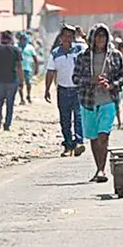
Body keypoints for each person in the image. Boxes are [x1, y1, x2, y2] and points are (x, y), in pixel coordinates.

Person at [73, 24, 123, 183]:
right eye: (97, 36)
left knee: (104, 135)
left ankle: (102, 170)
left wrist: (111, 85)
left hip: (108, 100)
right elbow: (75, 78)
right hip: (88, 101)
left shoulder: (115, 55)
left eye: (103, 36)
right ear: (92, 38)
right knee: (94, 138)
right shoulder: (83, 56)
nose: (100, 39)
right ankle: (98, 168)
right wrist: (91, 81)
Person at [45, 25, 87, 157]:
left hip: (78, 89)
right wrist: (47, 89)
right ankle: (68, 145)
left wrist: (83, 35)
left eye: (71, 36)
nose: (68, 38)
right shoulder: (55, 53)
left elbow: (95, 48)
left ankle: (79, 142)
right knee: (65, 119)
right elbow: (50, 71)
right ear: (61, 37)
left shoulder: (80, 49)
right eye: (66, 36)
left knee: (79, 117)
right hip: (62, 90)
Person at [0, 31, 24, 131]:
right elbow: (19, 67)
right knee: (10, 103)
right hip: (12, 80)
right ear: (11, 39)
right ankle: (7, 124)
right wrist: (21, 81)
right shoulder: (15, 50)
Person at [17, 33, 40, 105]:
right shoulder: (17, 47)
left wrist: (36, 68)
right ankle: (21, 98)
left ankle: (28, 95)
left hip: (28, 68)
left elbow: (35, 58)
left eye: (24, 39)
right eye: (22, 39)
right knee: (20, 84)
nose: (23, 41)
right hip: (19, 68)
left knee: (28, 83)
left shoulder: (30, 48)